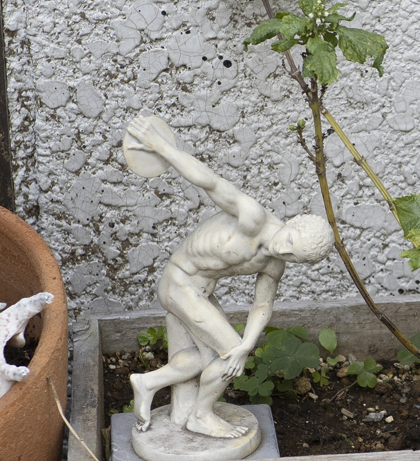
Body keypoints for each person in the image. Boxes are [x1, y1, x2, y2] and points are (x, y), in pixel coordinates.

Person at [123, 113, 334, 439]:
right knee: (228, 353)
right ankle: (201, 416)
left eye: (295, 257)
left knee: (206, 358)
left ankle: (148, 383)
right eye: (289, 240)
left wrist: (247, 344)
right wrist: (161, 146)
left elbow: (262, 306)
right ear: (291, 223)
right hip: (178, 282)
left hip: (200, 294)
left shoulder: (274, 263)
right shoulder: (253, 218)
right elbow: (208, 181)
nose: (284, 250)